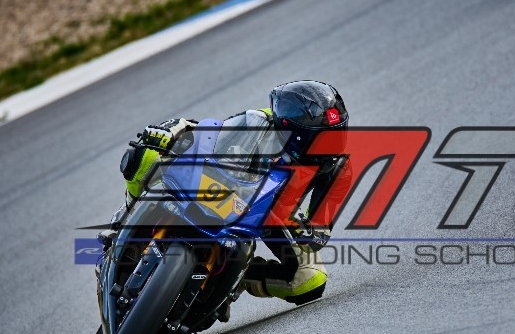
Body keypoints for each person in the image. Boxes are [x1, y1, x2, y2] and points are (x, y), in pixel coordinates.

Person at [106, 80, 352, 305]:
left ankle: (236, 278)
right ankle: (123, 219)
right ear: (295, 132)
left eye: (338, 133)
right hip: (225, 185)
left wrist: (302, 228)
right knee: (145, 156)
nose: (333, 145)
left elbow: (318, 233)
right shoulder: (261, 122)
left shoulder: (339, 170)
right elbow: (209, 134)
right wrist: (172, 130)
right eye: (323, 138)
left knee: (310, 280)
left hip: (270, 215)